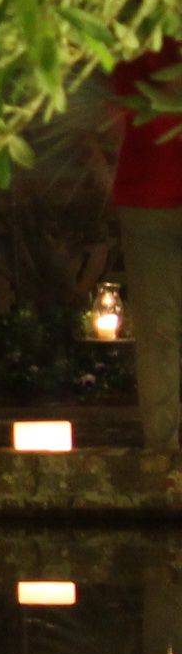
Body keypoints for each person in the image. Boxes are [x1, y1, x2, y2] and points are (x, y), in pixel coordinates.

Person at [113, 44, 182, 450]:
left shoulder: (137, 49)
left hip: (146, 197)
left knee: (159, 331)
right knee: (159, 331)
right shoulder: (139, 51)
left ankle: (163, 448)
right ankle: (162, 447)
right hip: (147, 199)